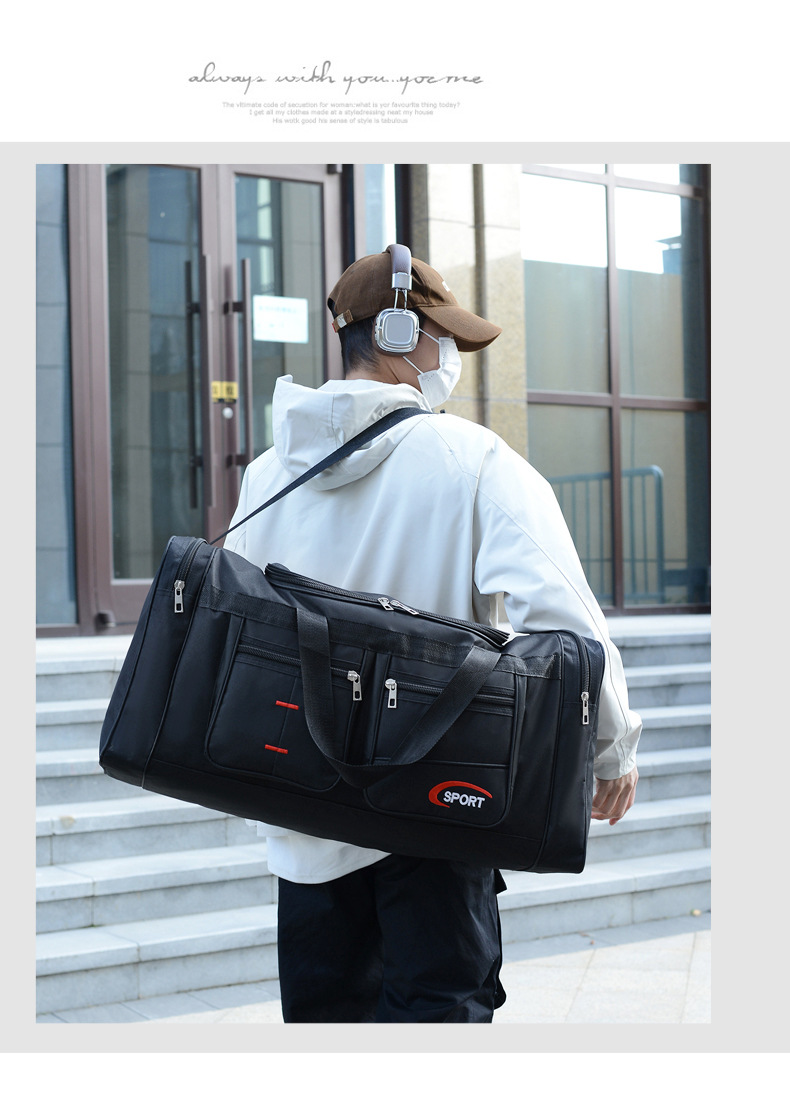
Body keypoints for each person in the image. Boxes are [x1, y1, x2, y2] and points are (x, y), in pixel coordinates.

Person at [223, 245, 641, 1023]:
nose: (449, 354)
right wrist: (611, 749)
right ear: (395, 333)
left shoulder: (266, 476)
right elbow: (566, 618)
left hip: (305, 818)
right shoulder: (473, 460)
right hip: (437, 810)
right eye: (441, 336)